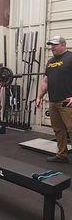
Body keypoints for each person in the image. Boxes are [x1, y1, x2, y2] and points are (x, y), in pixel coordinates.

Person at [36, 35, 72, 163]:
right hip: (53, 101)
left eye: (55, 45)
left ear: (63, 45)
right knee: (58, 130)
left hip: (67, 102)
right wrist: (39, 96)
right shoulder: (50, 61)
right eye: (51, 45)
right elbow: (46, 81)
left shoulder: (70, 57)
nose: (52, 48)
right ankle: (62, 155)